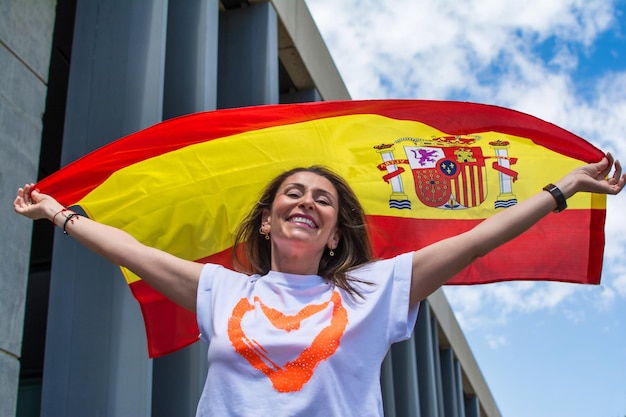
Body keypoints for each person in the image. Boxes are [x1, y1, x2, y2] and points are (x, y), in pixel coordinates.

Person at [13, 155, 625, 416]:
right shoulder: (223, 289)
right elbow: (136, 252)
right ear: (267, 219)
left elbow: (475, 242)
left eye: (323, 199)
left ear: (334, 233)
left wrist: (564, 189)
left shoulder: (373, 290)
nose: (307, 203)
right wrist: (59, 215)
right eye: (294, 194)